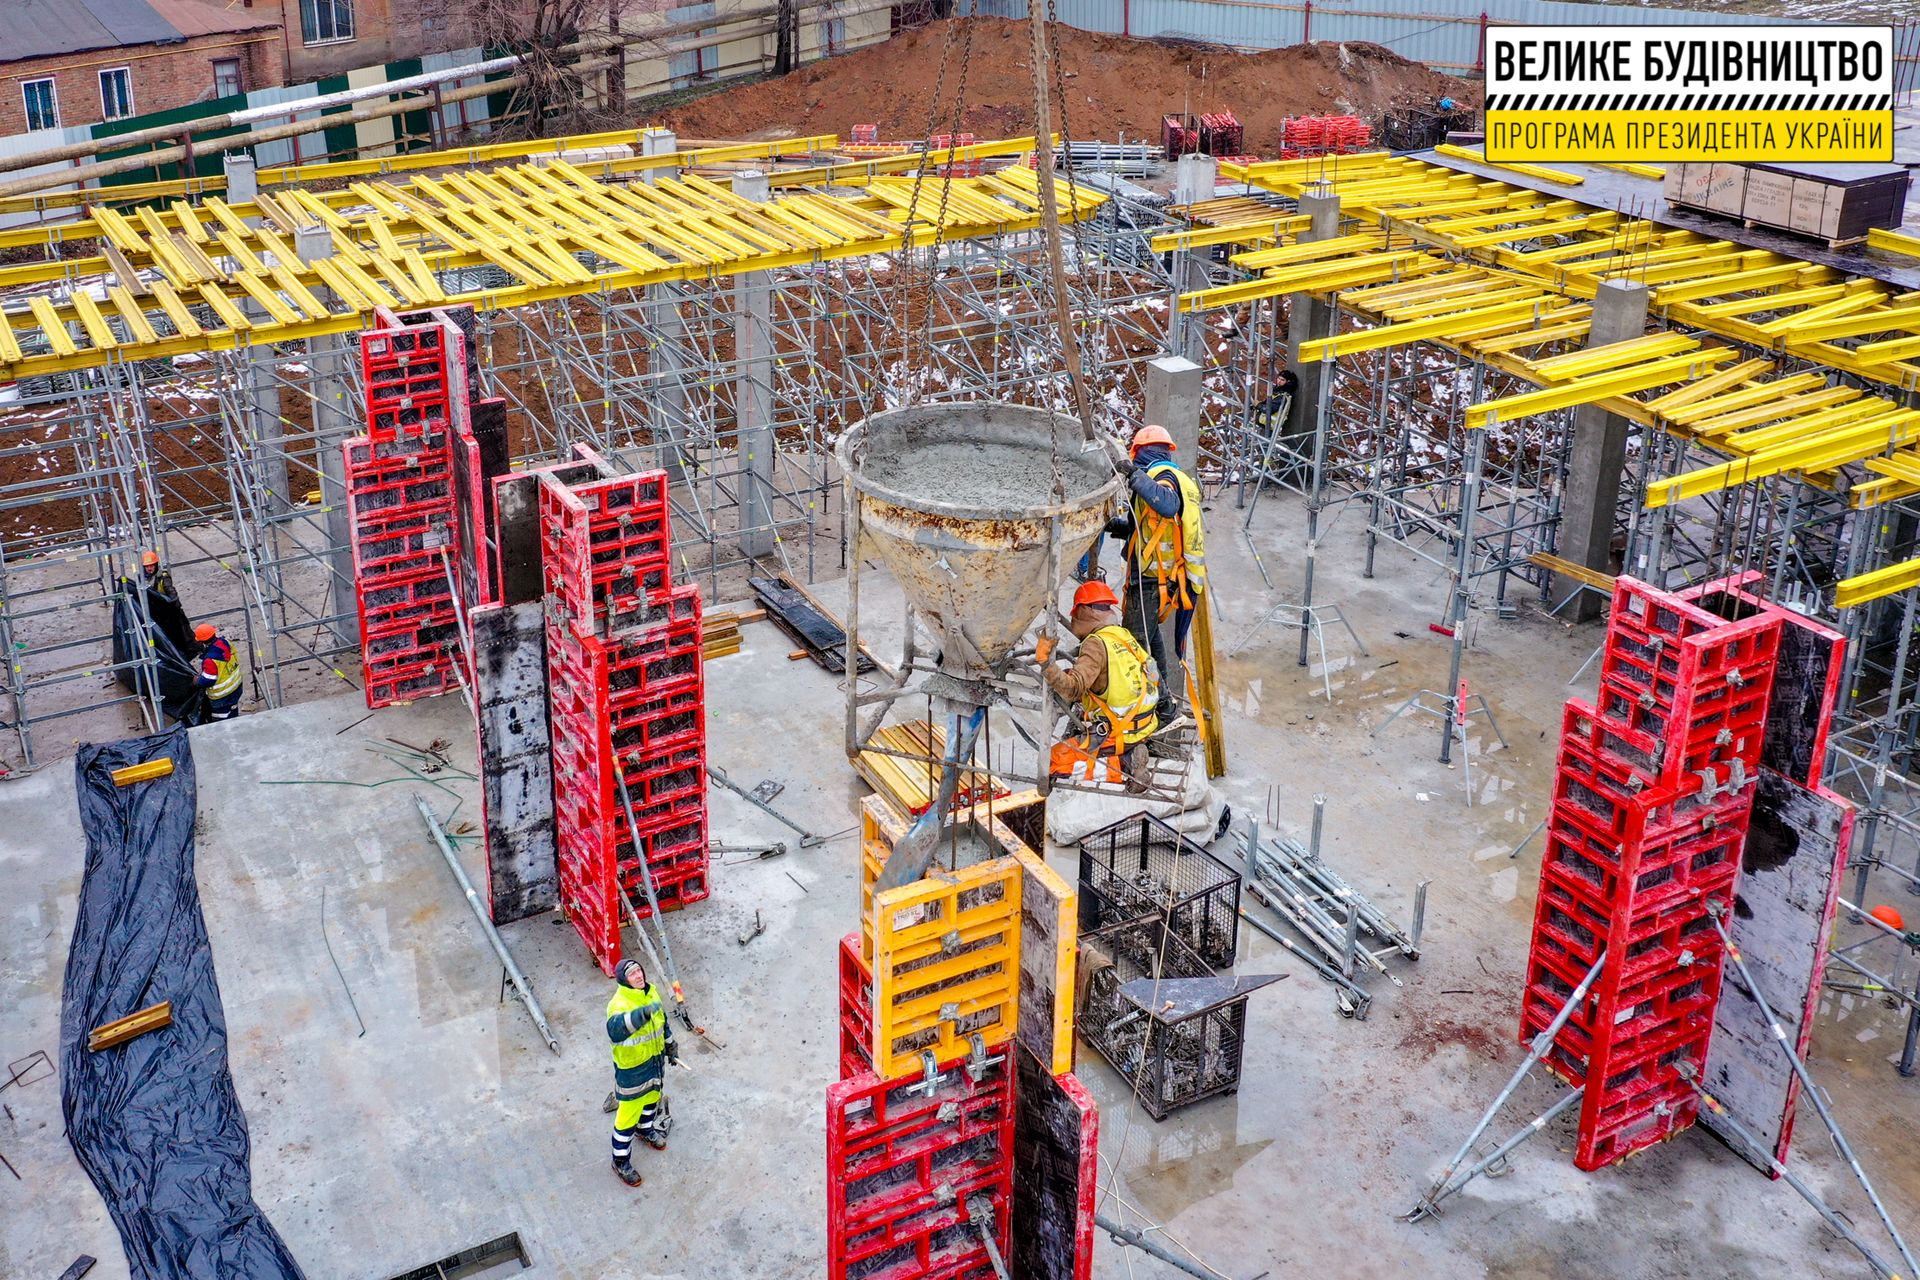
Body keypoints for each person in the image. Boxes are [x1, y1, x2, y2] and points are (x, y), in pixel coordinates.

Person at [1100, 424, 1207, 724]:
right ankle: (1165, 703)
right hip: (1160, 575)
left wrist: (1134, 476)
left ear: (1140, 453)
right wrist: (1111, 526)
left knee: (1135, 640)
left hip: (1153, 577)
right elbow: (1144, 531)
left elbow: (1167, 504)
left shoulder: (1165, 478)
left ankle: (1159, 705)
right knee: (1151, 639)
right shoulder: (1178, 478)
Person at [1037, 580, 1160, 786]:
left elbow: (1072, 688)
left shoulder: (1096, 644)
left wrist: (1045, 664)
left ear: (1085, 612)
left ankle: (1124, 766)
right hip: (1145, 723)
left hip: (1118, 732)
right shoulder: (1122, 635)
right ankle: (1130, 750)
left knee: (1051, 762)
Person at [605, 958, 677, 1187]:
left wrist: (670, 1044)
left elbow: (662, 1022)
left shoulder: (651, 993)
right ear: (624, 981)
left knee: (652, 1099)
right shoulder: (618, 1004)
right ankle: (620, 1161)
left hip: (654, 1063)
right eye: (632, 974)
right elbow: (616, 1031)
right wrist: (642, 1014)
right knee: (627, 1117)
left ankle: (645, 1129)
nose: (638, 976)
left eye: (639, 970)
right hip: (633, 1071)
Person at [191, 623, 243, 722]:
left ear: (202, 641)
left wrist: (197, 681)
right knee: (233, 711)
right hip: (236, 687)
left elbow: (208, 680)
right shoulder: (226, 643)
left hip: (222, 696)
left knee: (221, 721)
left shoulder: (210, 660)